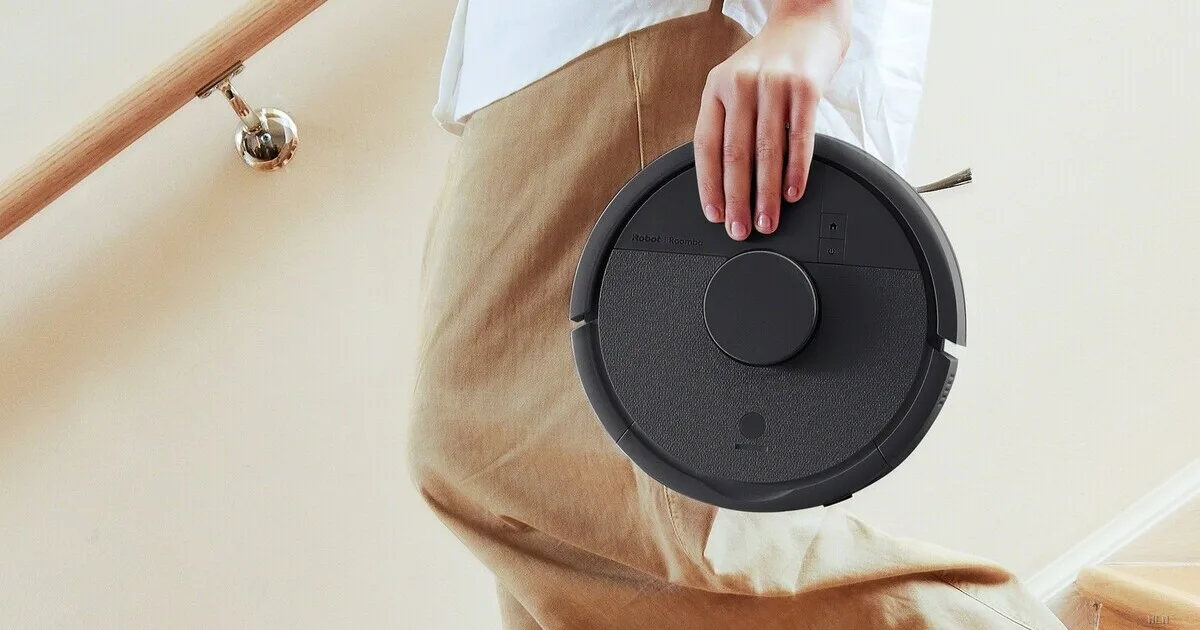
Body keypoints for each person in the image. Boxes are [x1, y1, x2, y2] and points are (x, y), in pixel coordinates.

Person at [409, 1, 1066, 628]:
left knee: (538, 467)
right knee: (559, 551)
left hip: (631, 32)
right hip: (528, 60)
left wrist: (811, 14)